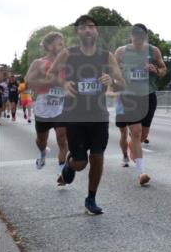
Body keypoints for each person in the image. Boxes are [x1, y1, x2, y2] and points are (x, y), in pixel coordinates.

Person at [49, 14, 126, 215]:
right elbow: (51, 74)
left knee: (98, 157)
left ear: (96, 30)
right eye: (83, 27)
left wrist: (112, 80)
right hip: (75, 115)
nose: (87, 30)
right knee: (81, 163)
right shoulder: (68, 54)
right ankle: (70, 163)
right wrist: (63, 83)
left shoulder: (106, 56)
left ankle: (91, 199)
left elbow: (121, 82)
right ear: (78, 32)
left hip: (99, 115)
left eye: (91, 26)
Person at [114, 24, 166, 184]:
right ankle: (142, 172)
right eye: (136, 36)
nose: (138, 39)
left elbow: (163, 70)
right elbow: (112, 70)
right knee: (135, 132)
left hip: (148, 95)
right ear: (131, 36)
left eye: (142, 36)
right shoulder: (121, 51)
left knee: (142, 135)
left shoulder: (153, 50)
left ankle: (133, 146)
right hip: (129, 95)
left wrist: (155, 70)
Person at [25, 31, 69, 173]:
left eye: (63, 43)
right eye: (59, 43)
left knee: (62, 139)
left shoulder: (67, 64)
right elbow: (28, 81)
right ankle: (43, 152)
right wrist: (48, 81)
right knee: (41, 141)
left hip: (61, 108)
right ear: (50, 46)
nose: (63, 46)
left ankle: (61, 172)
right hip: (43, 107)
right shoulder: (39, 63)